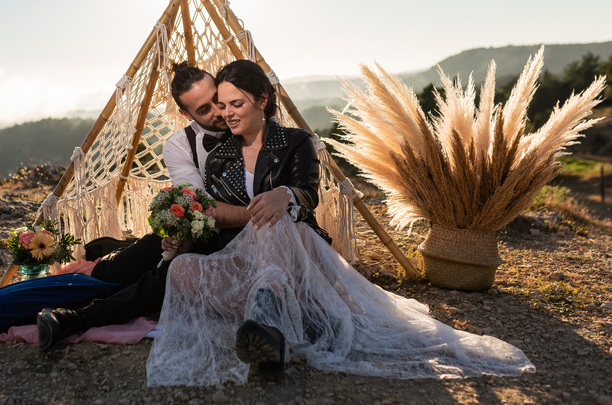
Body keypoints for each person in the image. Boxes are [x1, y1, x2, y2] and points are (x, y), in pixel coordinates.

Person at [145, 59, 535, 386]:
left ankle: (267, 325)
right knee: (182, 270)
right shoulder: (217, 157)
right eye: (221, 105)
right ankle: (270, 321)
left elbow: (309, 193)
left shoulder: (295, 141)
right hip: (246, 255)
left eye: (236, 103)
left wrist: (288, 196)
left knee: (273, 219)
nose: (227, 113)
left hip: (296, 250)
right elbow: (216, 212)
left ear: (262, 101)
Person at [36, 62, 249, 351]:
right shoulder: (180, 145)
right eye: (204, 109)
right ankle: (114, 248)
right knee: (119, 269)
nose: (218, 110)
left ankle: (77, 319)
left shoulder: (250, 125)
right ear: (187, 115)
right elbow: (198, 204)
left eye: (217, 99)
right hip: (206, 227)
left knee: (163, 280)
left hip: (239, 235)